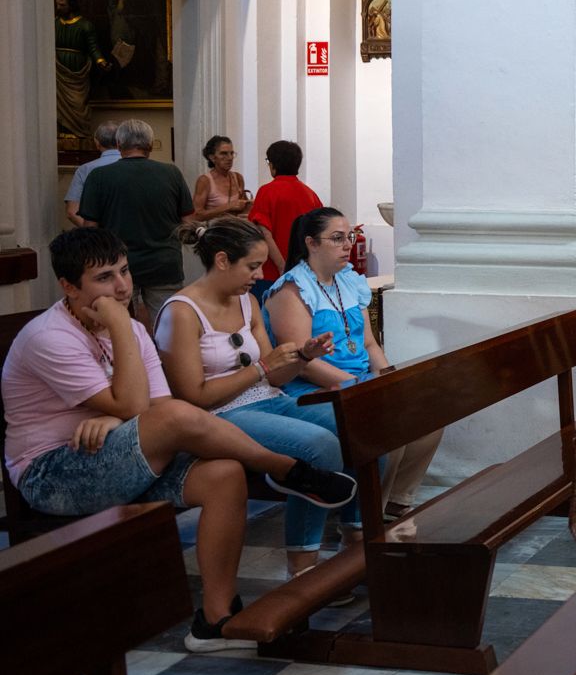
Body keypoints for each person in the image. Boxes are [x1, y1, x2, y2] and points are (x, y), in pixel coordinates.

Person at [1, 229, 357, 651]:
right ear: (68, 286)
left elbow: (158, 406)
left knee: (223, 474)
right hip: (56, 471)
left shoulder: (131, 330)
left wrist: (115, 419)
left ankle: (215, 620)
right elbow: (144, 408)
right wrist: (118, 325)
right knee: (172, 418)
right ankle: (281, 468)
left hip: (120, 451)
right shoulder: (52, 336)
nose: (121, 287)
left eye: (125, 271)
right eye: (103, 278)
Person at [157, 217, 365, 577]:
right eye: (252, 266)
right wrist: (260, 369)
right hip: (219, 417)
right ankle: (303, 564)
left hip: (269, 398)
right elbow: (194, 397)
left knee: (363, 419)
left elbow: (275, 373)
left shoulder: (247, 302)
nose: (259, 274)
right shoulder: (181, 312)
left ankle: (358, 540)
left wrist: (302, 356)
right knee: (319, 445)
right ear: (222, 260)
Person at [266, 208, 439, 517]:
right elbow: (301, 362)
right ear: (311, 243)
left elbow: (369, 343)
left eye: (350, 237)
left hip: (358, 382)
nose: (347, 245)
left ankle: (397, 501)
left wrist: (388, 378)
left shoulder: (348, 282)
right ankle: (368, 512)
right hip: (312, 389)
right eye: (337, 238)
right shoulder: (292, 290)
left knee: (430, 415)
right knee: (388, 428)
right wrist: (357, 386)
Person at [76, 119, 193, 328]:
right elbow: (187, 222)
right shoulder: (171, 173)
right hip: (164, 263)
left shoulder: (100, 176)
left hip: (116, 267)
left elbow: (89, 228)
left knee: (116, 327)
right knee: (169, 328)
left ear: (119, 145)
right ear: (149, 145)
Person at [248, 140, 322, 299]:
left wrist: (282, 267)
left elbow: (264, 233)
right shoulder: (309, 194)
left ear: (273, 165)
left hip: (272, 273)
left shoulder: (267, 192)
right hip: (304, 273)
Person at [54, 0, 114, 139]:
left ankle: (78, 133)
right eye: (57, 5)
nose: (59, 8)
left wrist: (101, 62)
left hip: (77, 70)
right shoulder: (54, 23)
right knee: (58, 105)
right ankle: (62, 134)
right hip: (58, 69)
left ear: (72, 5)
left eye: (62, 5)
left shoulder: (85, 26)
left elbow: (93, 47)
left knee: (78, 103)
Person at [65, 119, 122, 227]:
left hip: (97, 238)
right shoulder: (136, 166)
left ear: (97, 142)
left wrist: (95, 235)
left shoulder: (85, 169)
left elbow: (72, 211)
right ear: (122, 141)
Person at [191, 135, 251, 222]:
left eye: (231, 153)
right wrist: (228, 206)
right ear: (212, 157)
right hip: (215, 232)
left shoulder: (238, 178)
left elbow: (243, 208)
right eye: (224, 153)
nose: (230, 158)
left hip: (235, 231)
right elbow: (197, 215)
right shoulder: (205, 181)